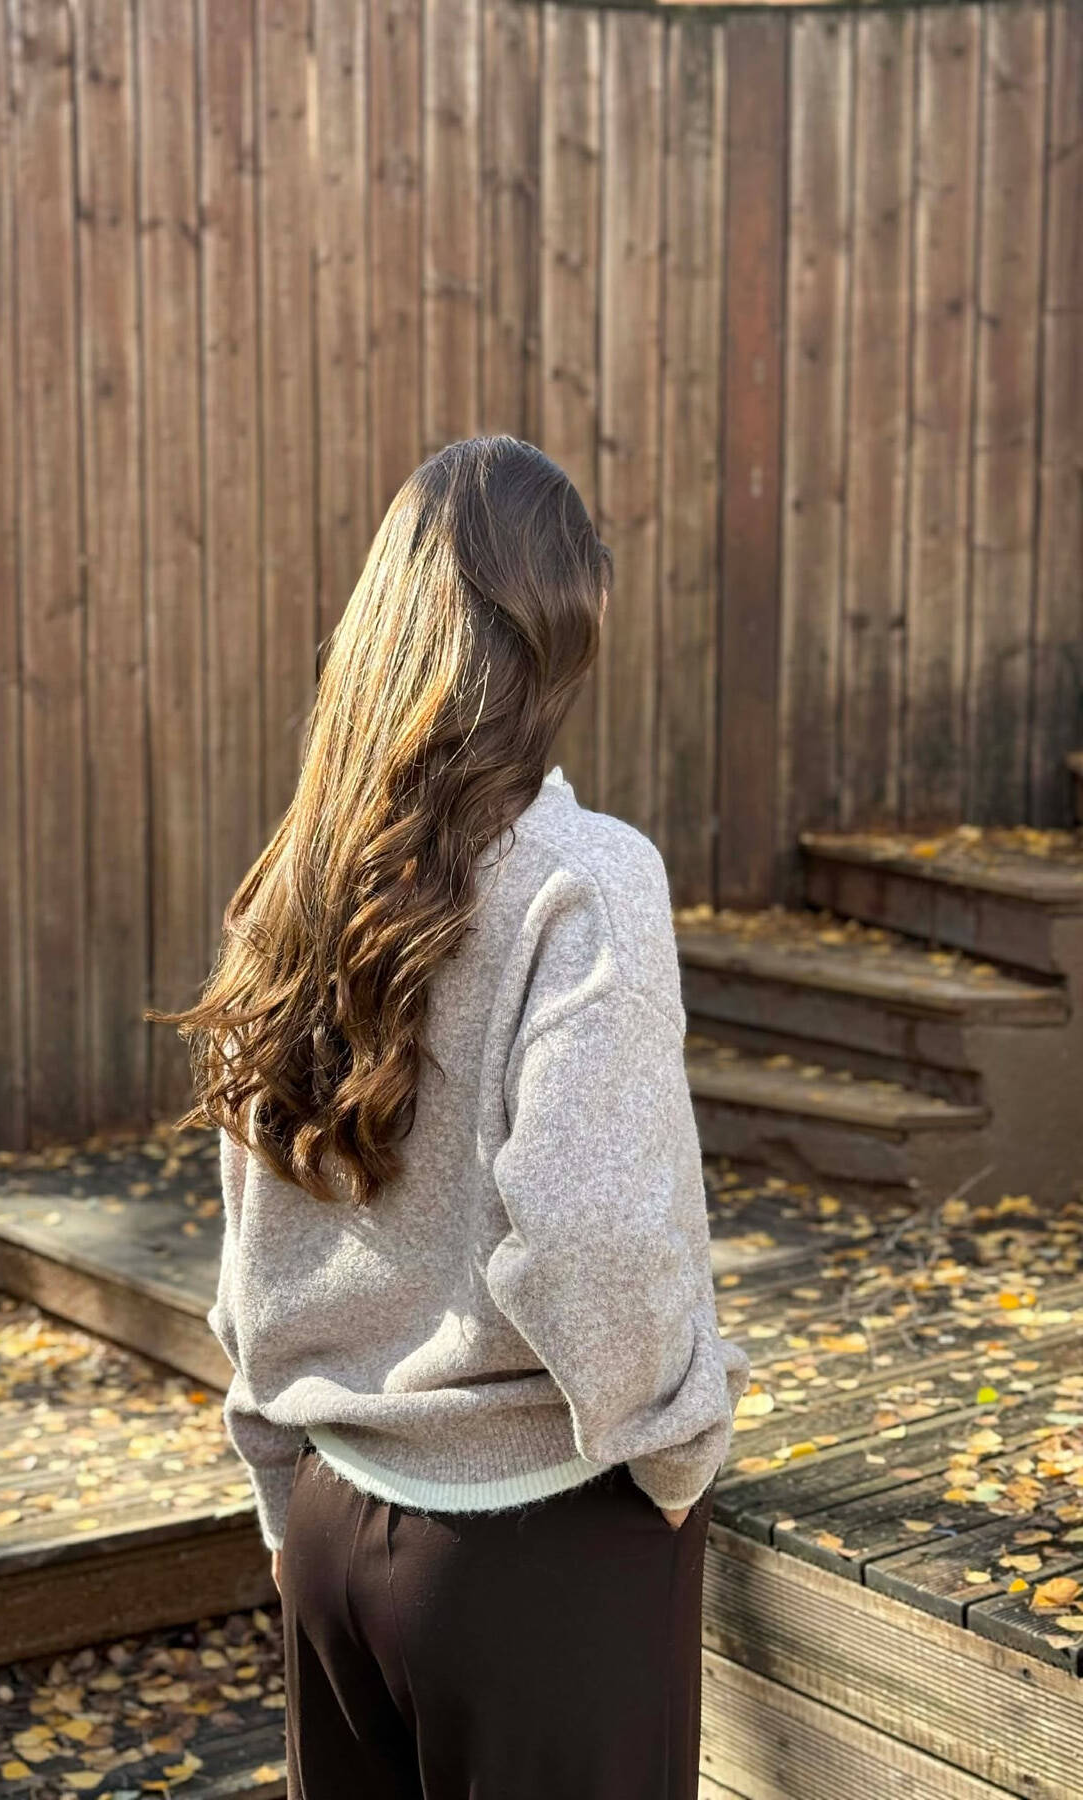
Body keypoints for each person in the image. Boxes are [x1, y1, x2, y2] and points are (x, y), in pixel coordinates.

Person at [157, 435, 751, 1798]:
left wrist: (279, 1481)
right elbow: (592, 1229)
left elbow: (250, 1234)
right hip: (541, 1553)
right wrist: (678, 1443)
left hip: (329, 1529)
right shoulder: (583, 878)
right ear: (560, 637)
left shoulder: (291, 886)